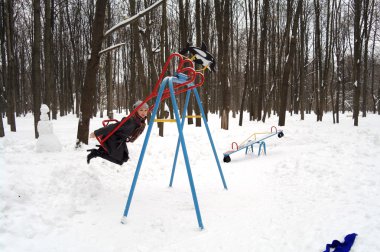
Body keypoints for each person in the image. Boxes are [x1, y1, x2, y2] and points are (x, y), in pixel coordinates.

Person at [87, 100, 149, 165]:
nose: (144, 113)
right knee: (120, 160)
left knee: (125, 158)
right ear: (135, 111)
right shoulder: (130, 121)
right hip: (113, 138)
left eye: (145, 110)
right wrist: (96, 133)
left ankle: (99, 152)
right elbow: (113, 126)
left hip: (121, 139)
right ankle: (97, 153)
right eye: (141, 110)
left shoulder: (139, 120)